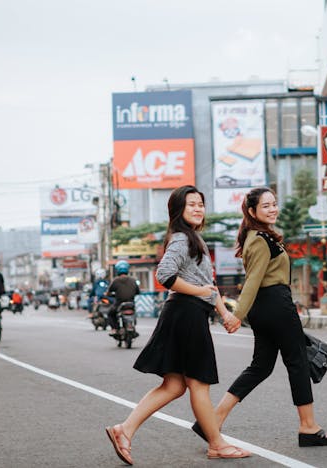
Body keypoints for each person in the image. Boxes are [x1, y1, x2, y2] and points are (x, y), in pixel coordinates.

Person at [106, 185, 250, 465]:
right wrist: (198, 293)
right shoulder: (182, 239)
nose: (198, 208)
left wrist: (225, 313)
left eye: (201, 204)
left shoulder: (193, 238)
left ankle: (125, 430)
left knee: (174, 385)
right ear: (178, 210)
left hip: (186, 313)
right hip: (186, 314)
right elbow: (165, 274)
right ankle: (217, 444)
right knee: (198, 383)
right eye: (191, 204)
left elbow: (209, 285)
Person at [193, 187, 327, 448]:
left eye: (274, 204)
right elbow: (253, 280)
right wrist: (236, 316)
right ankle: (308, 427)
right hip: (275, 304)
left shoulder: (260, 237)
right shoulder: (259, 239)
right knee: (297, 363)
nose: (272, 209)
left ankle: (212, 420)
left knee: (261, 366)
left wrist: (242, 314)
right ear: (252, 211)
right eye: (266, 206)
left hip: (267, 307)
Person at [106, 260, 140, 335]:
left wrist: (111, 294)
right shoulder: (133, 280)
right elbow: (138, 292)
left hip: (119, 304)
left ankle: (114, 329)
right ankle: (132, 326)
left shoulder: (115, 281)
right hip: (131, 304)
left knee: (110, 314)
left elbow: (108, 292)